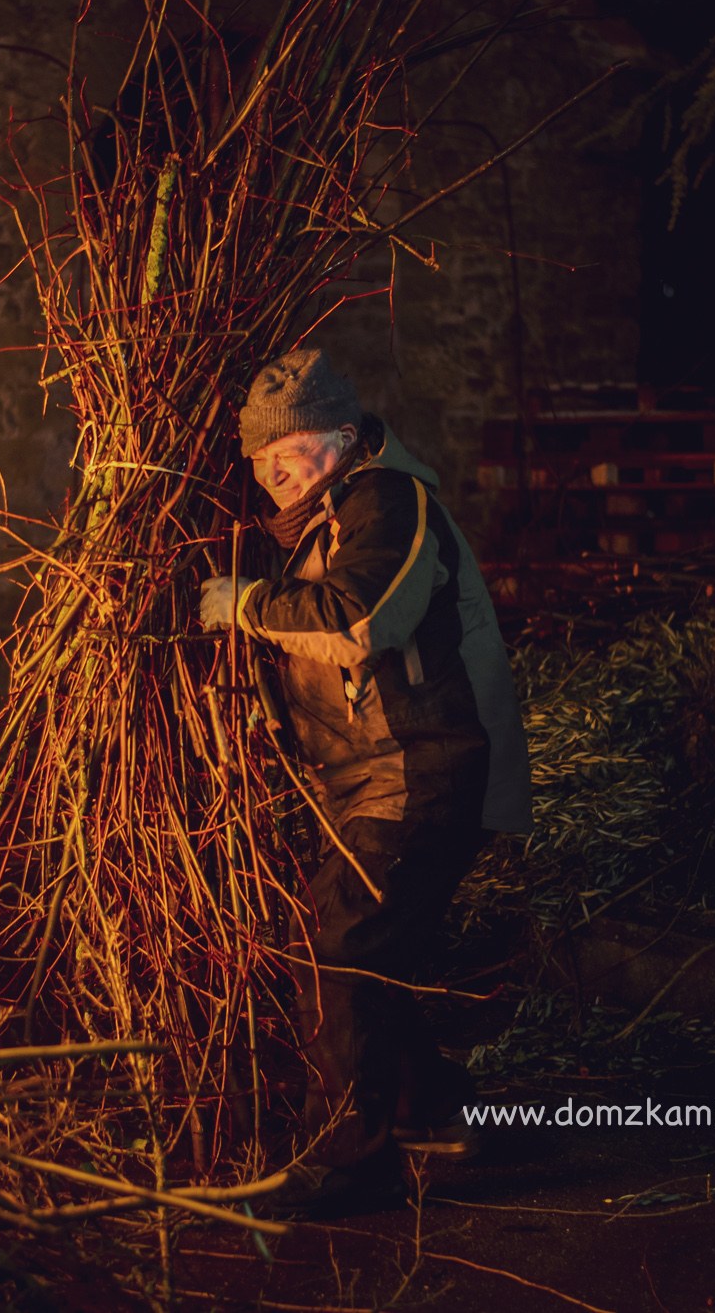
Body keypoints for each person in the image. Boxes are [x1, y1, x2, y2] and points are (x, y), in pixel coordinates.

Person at [199, 348, 531, 1217]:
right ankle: (433, 1112)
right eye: (261, 459)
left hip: (427, 765)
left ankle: (349, 1161)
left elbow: (358, 618)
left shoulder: (388, 501)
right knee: (361, 949)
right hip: (370, 774)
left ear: (344, 440)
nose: (274, 472)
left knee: (344, 947)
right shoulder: (315, 524)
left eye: (293, 451)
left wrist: (245, 605)